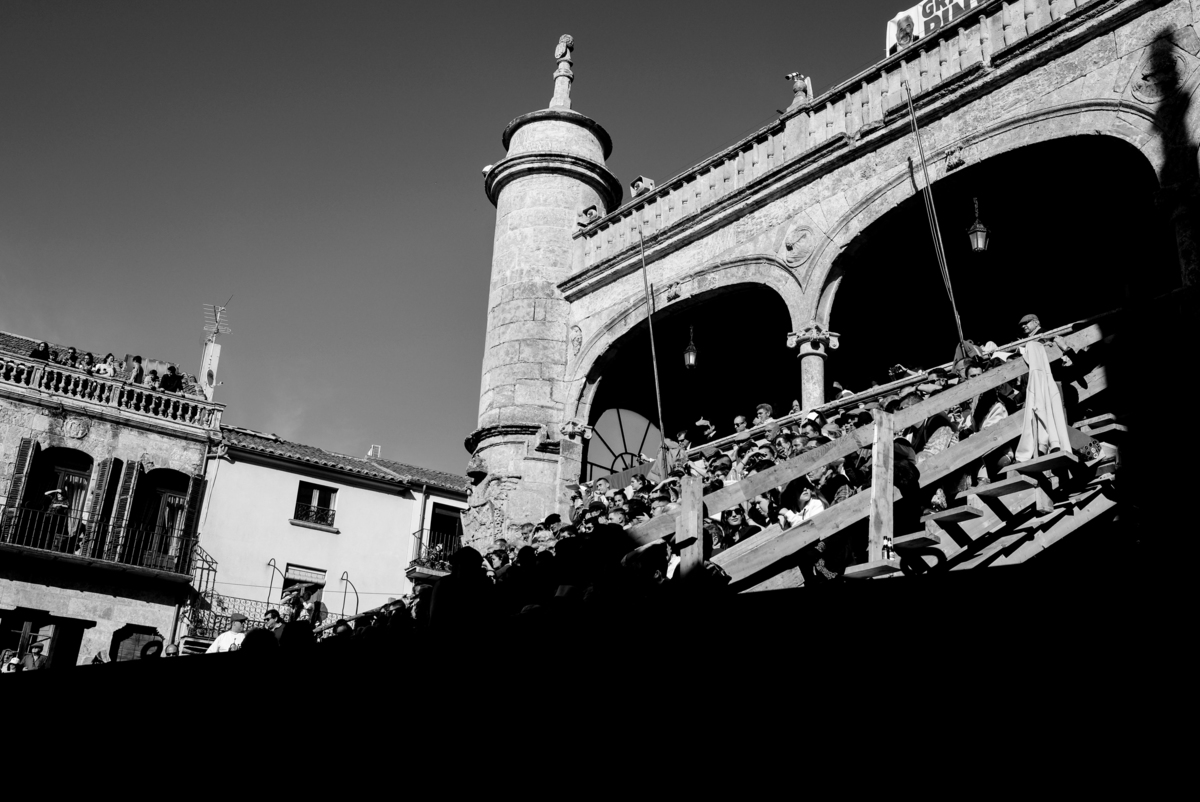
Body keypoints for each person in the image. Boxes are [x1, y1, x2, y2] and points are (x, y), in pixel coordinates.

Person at [1015, 314, 1072, 462]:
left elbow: (1054, 342)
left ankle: (1047, 444)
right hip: (1044, 380)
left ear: (1036, 322)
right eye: (1021, 325)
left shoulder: (1044, 333)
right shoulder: (1031, 340)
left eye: (1027, 323)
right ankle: (1052, 444)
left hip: (1051, 378)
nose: (1023, 326)